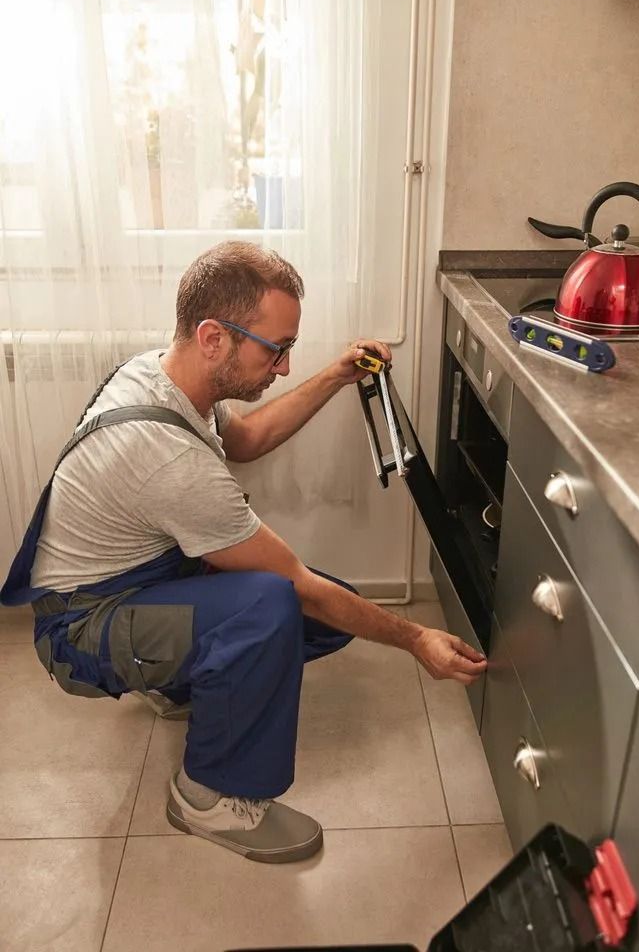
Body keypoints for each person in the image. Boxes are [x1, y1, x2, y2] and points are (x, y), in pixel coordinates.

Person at [1, 241, 487, 864]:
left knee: (317, 610)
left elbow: (249, 438)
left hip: (133, 583)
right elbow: (297, 586)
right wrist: (417, 639)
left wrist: (336, 376)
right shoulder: (167, 458)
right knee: (273, 607)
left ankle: (180, 682)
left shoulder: (167, 378)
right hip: (81, 626)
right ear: (212, 338)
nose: (283, 367)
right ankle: (208, 796)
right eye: (276, 349)